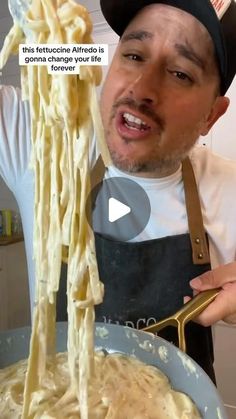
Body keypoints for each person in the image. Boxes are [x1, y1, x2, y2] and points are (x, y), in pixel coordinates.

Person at [0, 0, 236, 382]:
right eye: (133, 54)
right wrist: (53, 31)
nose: (141, 88)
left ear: (212, 114)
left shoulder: (229, 189)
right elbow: (44, 51)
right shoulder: (44, 144)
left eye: (179, 73)